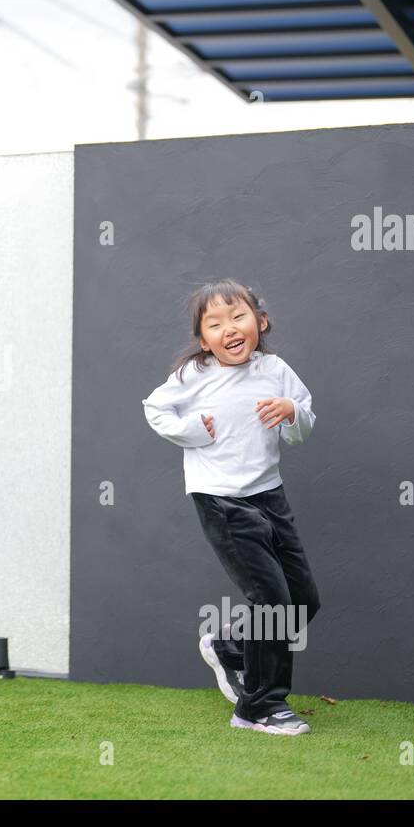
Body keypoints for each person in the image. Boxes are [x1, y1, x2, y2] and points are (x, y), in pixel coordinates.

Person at [141, 278, 321, 736]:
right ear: (204, 340)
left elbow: (303, 426)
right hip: (221, 500)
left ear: (260, 321)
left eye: (238, 316)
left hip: (269, 496)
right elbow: (155, 409)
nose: (230, 329)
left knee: (301, 601)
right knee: (271, 601)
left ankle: (231, 649)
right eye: (215, 324)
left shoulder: (276, 370)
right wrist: (196, 431)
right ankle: (259, 708)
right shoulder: (195, 374)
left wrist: (291, 412)